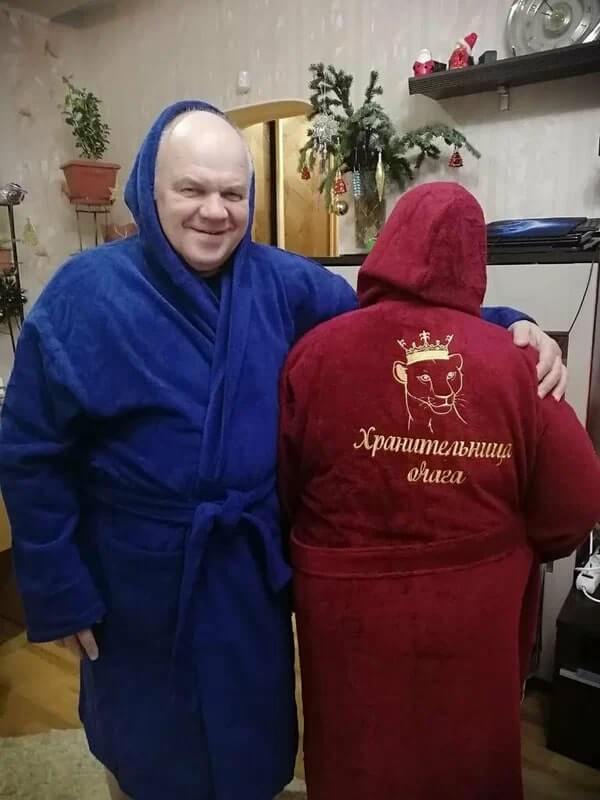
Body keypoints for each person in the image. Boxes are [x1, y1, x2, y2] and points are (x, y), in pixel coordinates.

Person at [0, 102, 565, 800]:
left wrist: (505, 328)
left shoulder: (280, 282)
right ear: (150, 188)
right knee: (143, 753)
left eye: (232, 193)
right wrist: (60, 586)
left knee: (252, 744)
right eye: (191, 189)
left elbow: (384, 326)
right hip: (137, 579)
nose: (215, 212)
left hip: (247, 571)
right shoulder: (83, 295)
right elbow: (32, 451)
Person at [278, 182, 600, 800]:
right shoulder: (519, 364)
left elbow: (287, 488)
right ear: (475, 263)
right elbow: (578, 502)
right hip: (475, 614)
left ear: (387, 247)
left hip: (345, 612)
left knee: (355, 755)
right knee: (465, 763)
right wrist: (521, 545)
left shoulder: (313, 354)